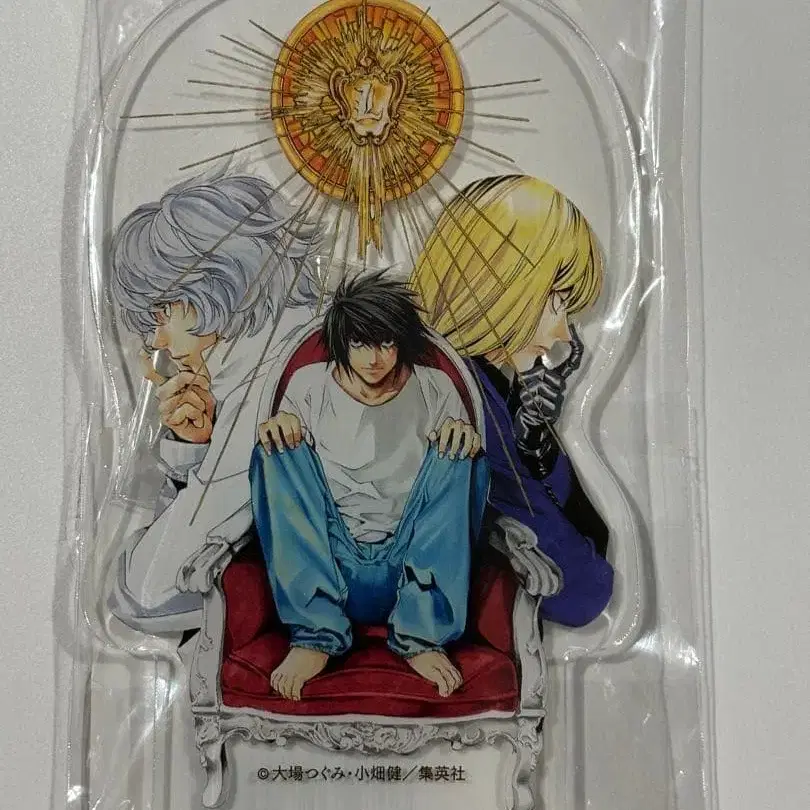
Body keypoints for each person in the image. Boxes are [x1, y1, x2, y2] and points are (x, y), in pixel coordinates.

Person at [250, 271, 490, 701]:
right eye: (360, 343)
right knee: (275, 449)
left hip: (414, 564)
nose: (374, 358)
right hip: (329, 561)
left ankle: (422, 635)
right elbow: (289, 487)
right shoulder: (309, 385)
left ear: (402, 341)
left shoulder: (434, 387)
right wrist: (282, 426)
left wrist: (464, 438)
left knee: (461, 453)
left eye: (386, 343)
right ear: (341, 342)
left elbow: (457, 491)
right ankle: (315, 635)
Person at [107, 170, 322, 633]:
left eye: (163, 311)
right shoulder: (287, 347)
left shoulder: (271, 383)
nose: (157, 339)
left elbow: (149, 591)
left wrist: (193, 466)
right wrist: (193, 448)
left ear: (218, 282)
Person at [411, 175, 614, 628]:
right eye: (556, 302)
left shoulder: (477, 380)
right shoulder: (460, 394)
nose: (562, 333)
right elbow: (580, 591)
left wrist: (537, 441)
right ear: (502, 286)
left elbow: (589, 540)